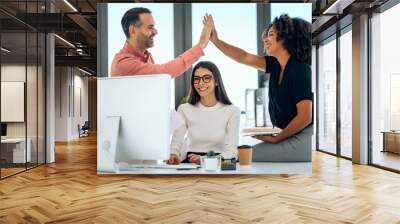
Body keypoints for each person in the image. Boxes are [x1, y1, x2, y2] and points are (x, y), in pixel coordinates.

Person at [209, 14, 313, 162]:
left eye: (271, 34)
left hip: (304, 137)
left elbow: (305, 117)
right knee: (244, 152)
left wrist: (277, 139)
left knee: (245, 156)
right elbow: (243, 57)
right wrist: (216, 41)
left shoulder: (300, 70)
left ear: (287, 37)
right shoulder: (276, 65)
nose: (265, 39)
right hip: (290, 134)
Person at [167, 61, 240, 165]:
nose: (200, 83)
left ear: (216, 81)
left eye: (206, 78)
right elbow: (176, 142)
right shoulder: (184, 109)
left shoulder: (232, 111)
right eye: (196, 79)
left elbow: (233, 153)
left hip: (221, 162)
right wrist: (173, 154)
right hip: (191, 162)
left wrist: (205, 159)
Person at [111, 8, 212, 77]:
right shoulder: (123, 63)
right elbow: (164, 72)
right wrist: (201, 45)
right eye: (150, 27)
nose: (155, 31)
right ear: (132, 30)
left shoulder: (147, 56)